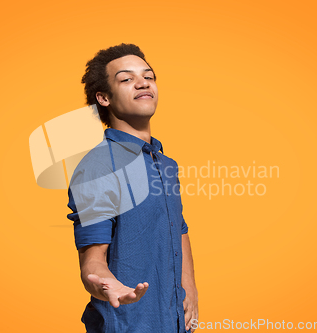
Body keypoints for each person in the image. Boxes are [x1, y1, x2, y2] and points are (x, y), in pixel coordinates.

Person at [67, 43, 198, 333]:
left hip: (174, 321)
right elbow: (92, 260)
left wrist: (190, 289)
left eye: (149, 76)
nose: (143, 83)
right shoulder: (99, 166)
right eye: (126, 79)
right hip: (128, 324)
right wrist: (104, 284)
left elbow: (179, 228)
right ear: (103, 97)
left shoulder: (165, 164)